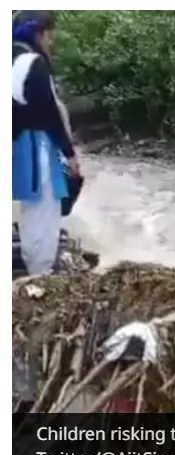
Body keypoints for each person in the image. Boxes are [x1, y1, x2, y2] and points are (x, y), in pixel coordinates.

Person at [12, 10, 80, 276]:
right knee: (42, 211)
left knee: (32, 210)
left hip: (18, 142)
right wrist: (69, 153)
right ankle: (40, 275)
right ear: (39, 32)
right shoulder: (32, 62)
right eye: (50, 37)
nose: (51, 44)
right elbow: (49, 112)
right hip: (35, 145)